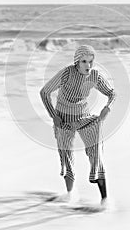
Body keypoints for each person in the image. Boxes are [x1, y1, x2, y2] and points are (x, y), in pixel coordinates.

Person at [40, 45, 116, 206]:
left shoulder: (94, 75)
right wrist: (54, 116)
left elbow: (112, 93)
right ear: (77, 62)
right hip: (63, 120)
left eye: (90, 61)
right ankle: (69, 196)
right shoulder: (67, 73)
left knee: (97, 153)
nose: (88, 65)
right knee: (66, 159)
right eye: (84, 61)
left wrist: (107, 108)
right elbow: (44, 92)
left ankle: (105, 201)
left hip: (84, 118)